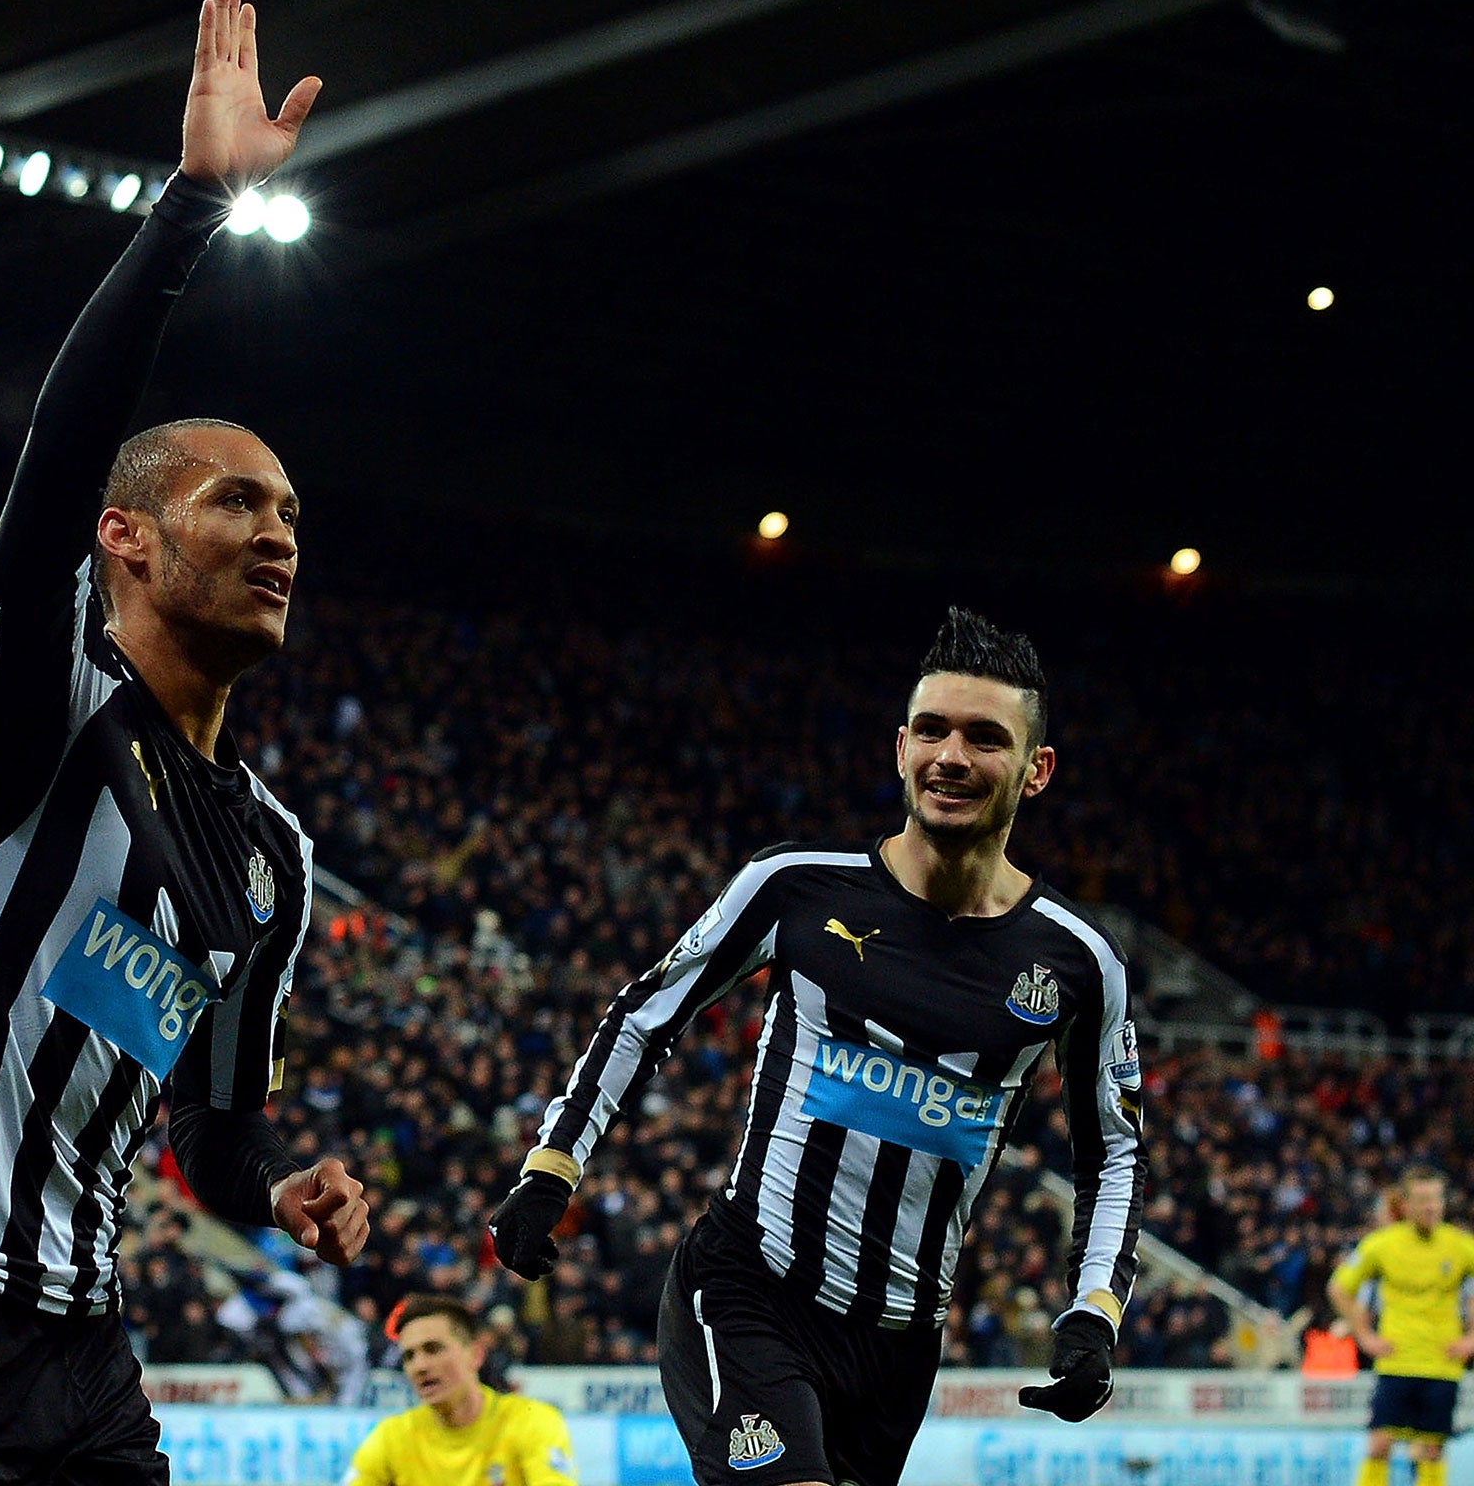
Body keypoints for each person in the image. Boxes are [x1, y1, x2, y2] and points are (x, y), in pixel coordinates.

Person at [0, 0, 368, 1485]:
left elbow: (215, 1132)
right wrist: (193, 210)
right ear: (128, 539)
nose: (279, 534)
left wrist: (278, 1189)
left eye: (292, 511)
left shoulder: (274, 865)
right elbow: (41, 488)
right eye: (236, 501)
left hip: (83, 1348)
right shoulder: (55, 712)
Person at [489, 608, 1144, 1486]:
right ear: (901, 747)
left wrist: (1094, 1310)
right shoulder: (794, 887)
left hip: (900, 1351)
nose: (952, 755)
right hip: (752, 1289)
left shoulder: (1079, 963)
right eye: (932, 731)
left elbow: (1115, 1155)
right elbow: (647, 1015)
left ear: (1036, 771)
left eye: (986, 738)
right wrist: (551, 1168)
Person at [1326, 1166, 1474, 1486]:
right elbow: (1338, 1288)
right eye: (1423, 1200)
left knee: (1431, 1450)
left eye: (1437, 1199)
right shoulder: (1380, 1245)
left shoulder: (1460, 1245)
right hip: (1396, 1360)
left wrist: (1472, 1338)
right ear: (1405, 1205)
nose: (1432, 1206)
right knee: (1379, 1444)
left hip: (1442, 1363)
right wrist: (1364, 1335)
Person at [344, 1296, 577, 1486]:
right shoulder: (392, 1437)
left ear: (475, 1355)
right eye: (409, 1356)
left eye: (433, 1349)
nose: (420, 1366)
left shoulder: (531, 1422)